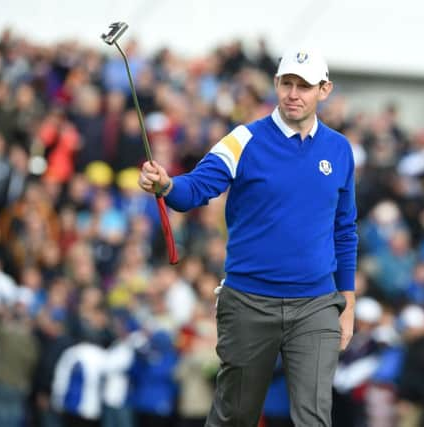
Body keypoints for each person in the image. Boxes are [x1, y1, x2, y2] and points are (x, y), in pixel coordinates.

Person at [139, 46, 357, 427]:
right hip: (249, 301)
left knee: (314, 417)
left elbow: (345, 230)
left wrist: (348, 304)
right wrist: (167, 184)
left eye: (303, 86)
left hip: (316, 303)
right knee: (235, 416)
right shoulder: (243, 139)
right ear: (275, 84)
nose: (293, 94)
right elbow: (196, 188)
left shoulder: (339, 149)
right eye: (286, 83)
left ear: (324, 90)